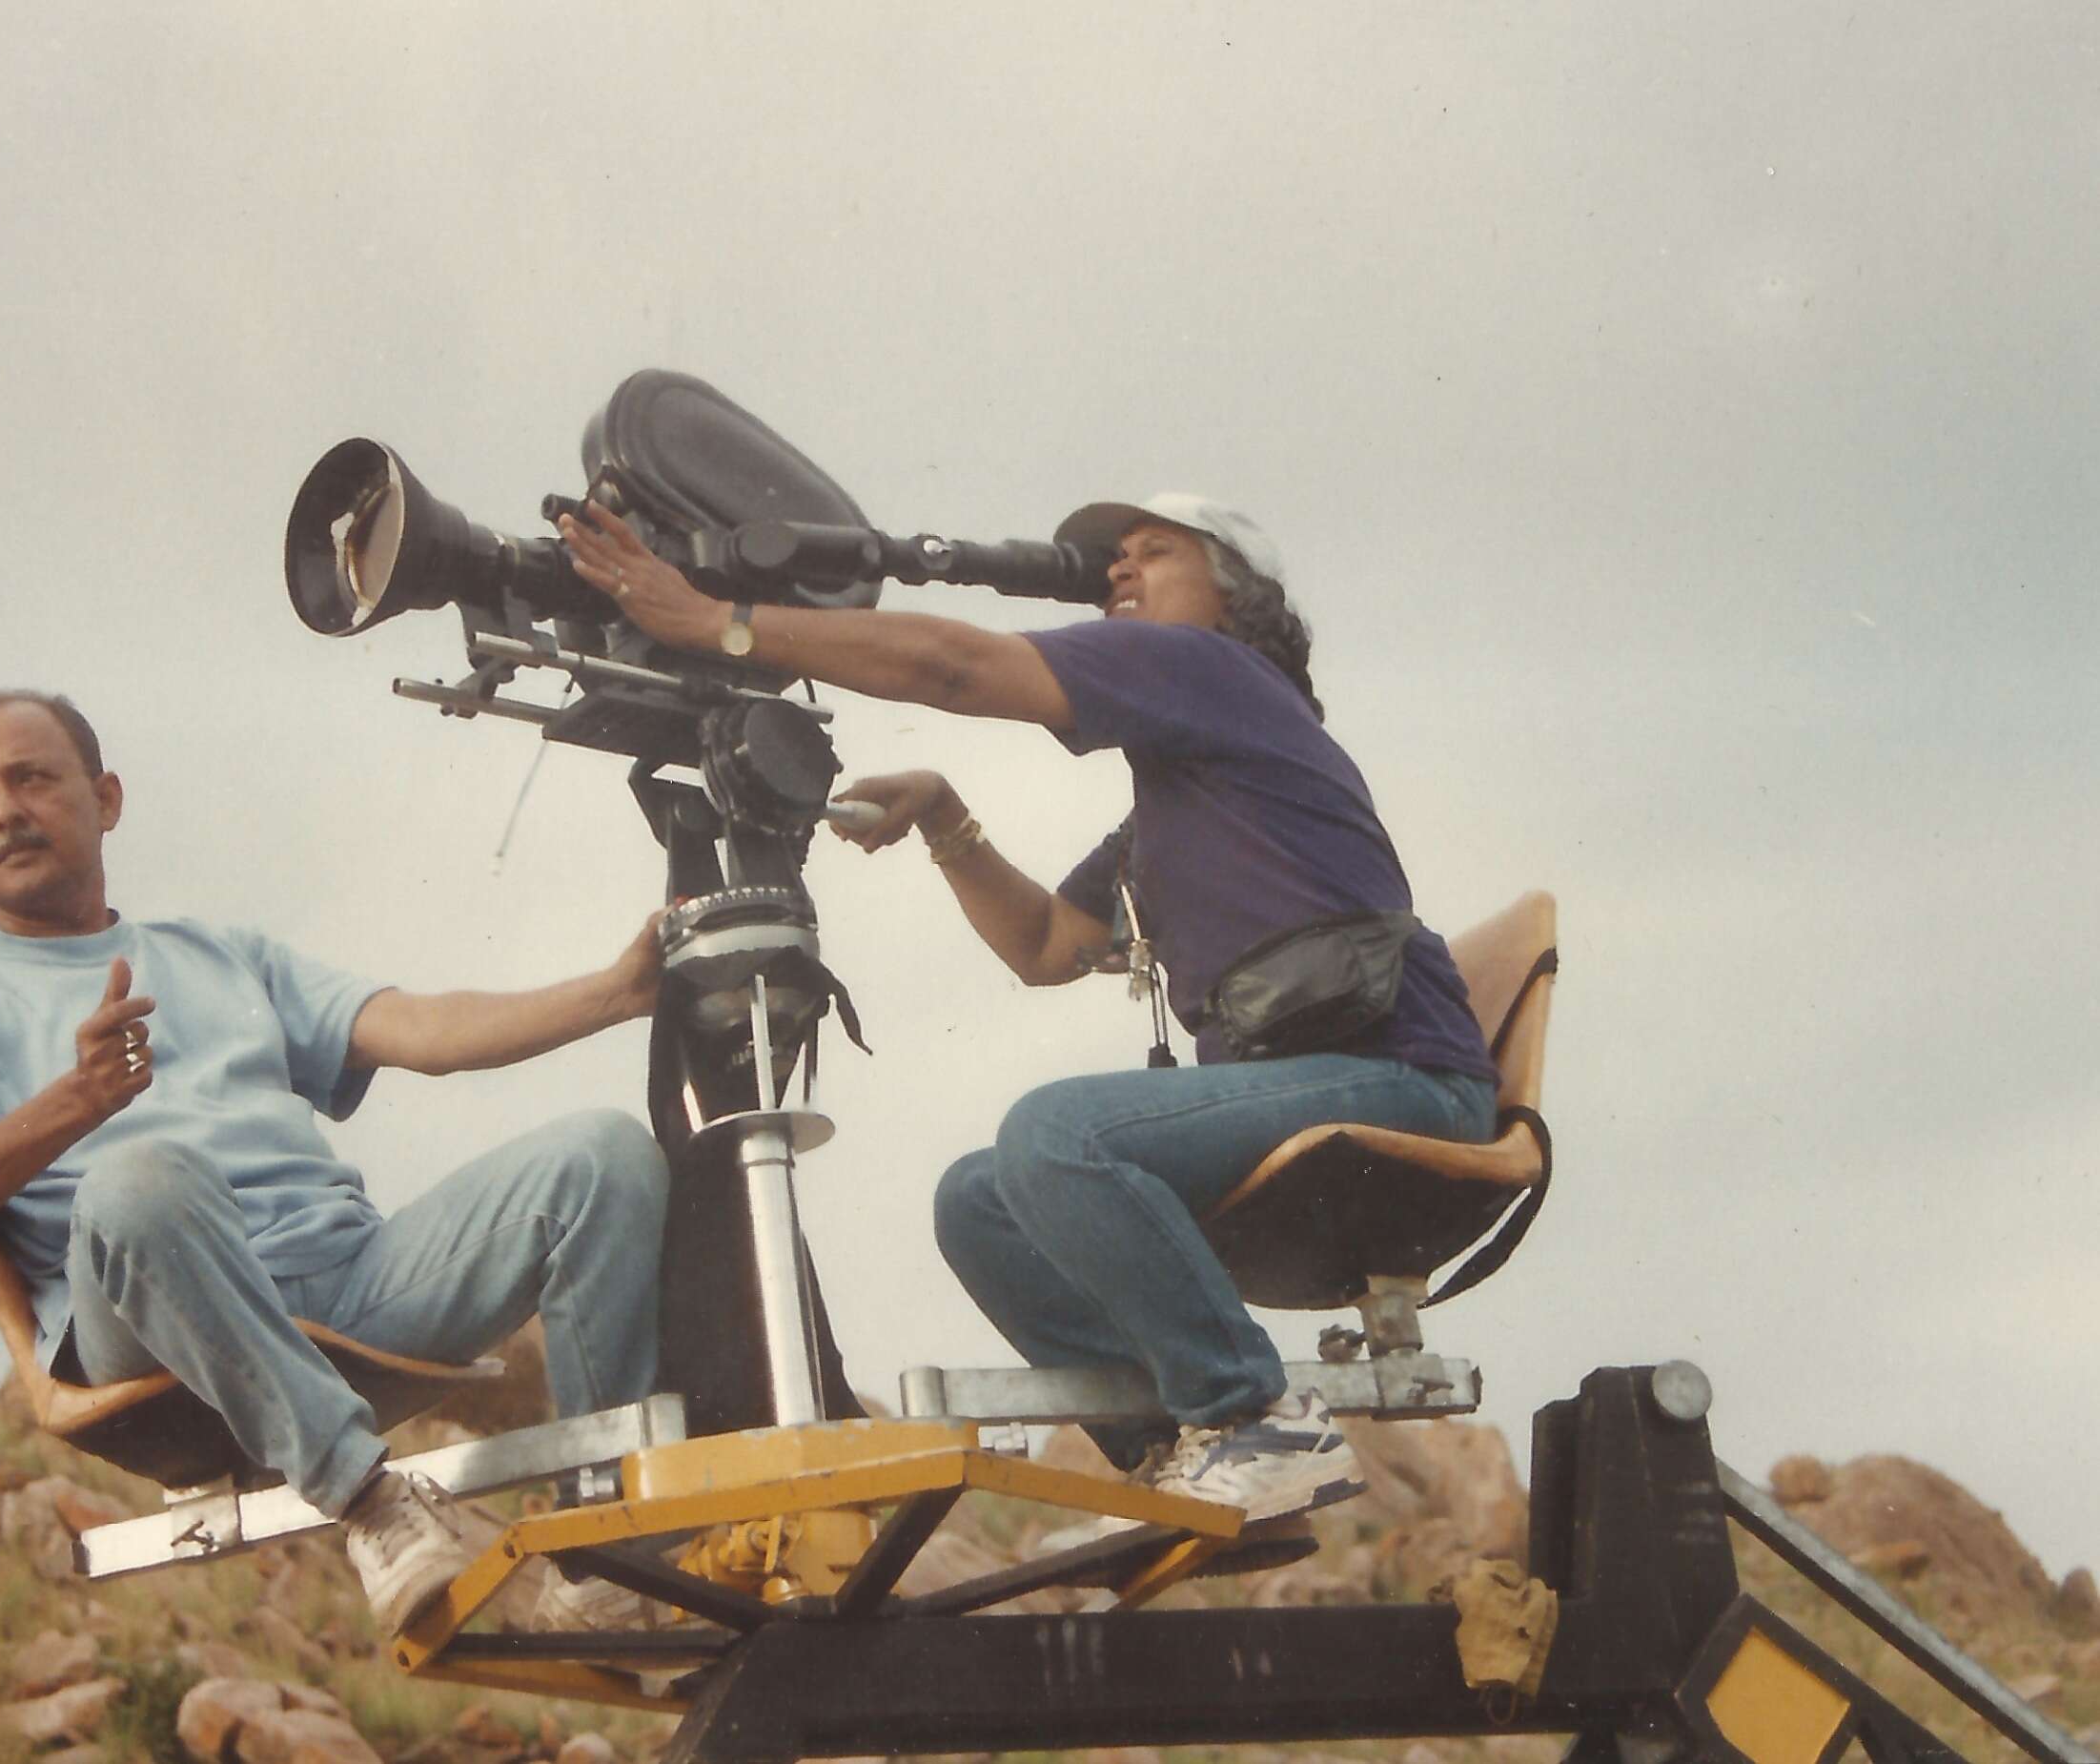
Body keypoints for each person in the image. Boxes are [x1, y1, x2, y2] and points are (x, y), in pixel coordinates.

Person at [556, 491, 1499, 1525]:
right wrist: (947, 820)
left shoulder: (1218, 668)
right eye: (1114, 564)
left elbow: (953, 666)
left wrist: (717, 623)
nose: (1119, 576)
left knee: (1053, 1133)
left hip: (1405, 1085)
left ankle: (1253, 1421)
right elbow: (1046, 945)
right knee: (979, 1200)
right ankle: (1185, 1460)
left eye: (1156, 552)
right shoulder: (1179, 797)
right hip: (1313, 1106)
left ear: (1237, 598)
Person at [0, 688, 672, 1631]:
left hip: (352, 1284)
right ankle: (369, 1502)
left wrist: (615, 992)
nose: (6, 809)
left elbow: (427, 1028)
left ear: (106, 797)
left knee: (602, 1155)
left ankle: (611, 1555)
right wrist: (73, 1104)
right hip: (153, 1332)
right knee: (143, 1178)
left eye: (31, 777)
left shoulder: (218, 953)